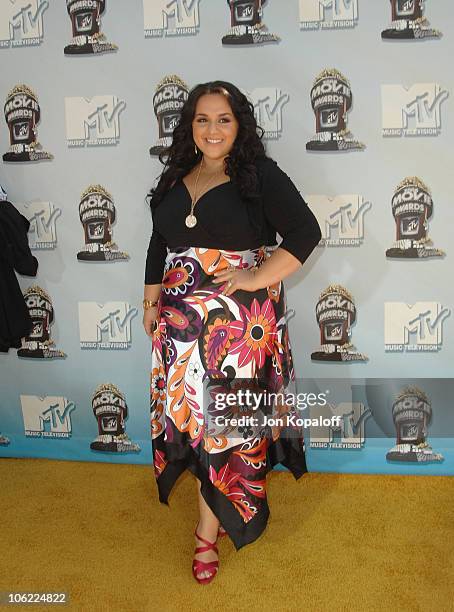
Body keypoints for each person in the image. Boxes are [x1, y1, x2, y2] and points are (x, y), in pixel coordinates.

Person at [143, 80, 322, 584]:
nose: (213, 128)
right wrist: (151, 297)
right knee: (194, 426)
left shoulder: (259, 175)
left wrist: (253, 278)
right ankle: (212, 514)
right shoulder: (178, 174)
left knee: (223, 432)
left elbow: (306, 232)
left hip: (237, 333)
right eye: (203, 119)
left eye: (223, 118)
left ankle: (207, 532)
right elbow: (159, 238)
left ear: (239, 124)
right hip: (179, 334)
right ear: (190, 127)